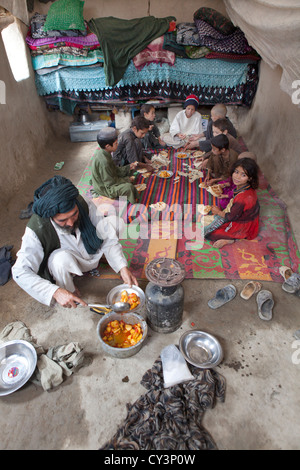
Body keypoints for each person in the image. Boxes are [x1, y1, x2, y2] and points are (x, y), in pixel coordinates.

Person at [12, 176, 138, 308]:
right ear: (51, 217)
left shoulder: (81, 203)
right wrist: (55, 291)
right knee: (60, 260)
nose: (71, 223)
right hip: (71, 260)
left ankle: (104, 257)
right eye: (63, 220)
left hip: (90, 250)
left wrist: (121, 267)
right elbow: (19, 271)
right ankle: (70, 291)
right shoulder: (37, 228)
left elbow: (104, 232)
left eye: (74, 214)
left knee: (115, 223)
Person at [205, 157, 260, 248]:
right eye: (236, 172)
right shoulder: (246, 188)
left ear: (250, 178)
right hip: (247, 219)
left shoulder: (242, 198)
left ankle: (231, 239)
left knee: (208, 233)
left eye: (243, 175)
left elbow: (230, 217)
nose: (237, 177)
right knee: (208, 220)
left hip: (244, 226)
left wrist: (218, 212)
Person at [91, 127, 138, 204]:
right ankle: (132, 205)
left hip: (108, 178)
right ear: (107, 146)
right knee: (128, 187)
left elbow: (114, 170)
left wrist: (128, 167)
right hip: (104, 187)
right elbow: (110, 183)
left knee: (129, 172)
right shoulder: (104, 162)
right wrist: (127, 180)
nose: (118, 144)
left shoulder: (105, 153)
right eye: (116, 143)